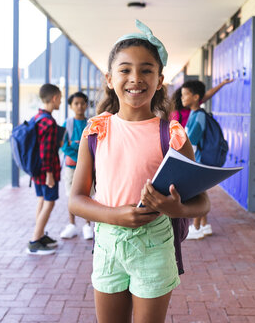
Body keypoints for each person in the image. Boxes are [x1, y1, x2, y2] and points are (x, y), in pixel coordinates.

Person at [68, 20, 210, 323]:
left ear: (160, 79)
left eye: (146, 70)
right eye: (125, 70)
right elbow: (76, 200)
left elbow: (203, 203)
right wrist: (115, 216)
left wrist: (177, 208)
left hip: (155, 246)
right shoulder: (95, 131)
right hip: (107, 244)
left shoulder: (172, 135)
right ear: (109, 78)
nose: (136, 78)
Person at [26, 83, 62, 255]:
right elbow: (46, 150)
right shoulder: (48, 122)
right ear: (54, 98)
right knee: (49, 202)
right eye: (60, 99)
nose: (60, 102)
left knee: (41, 200)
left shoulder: (37, 118)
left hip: (36, 170)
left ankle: (39, 235)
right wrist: (50, 174)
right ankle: (34, 241)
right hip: (47, 171)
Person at [59, 91, 94, 240]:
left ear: (86, 105)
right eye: (76, 104)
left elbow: (93, 144)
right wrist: (80, 157)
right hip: (71, 167)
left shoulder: (91, 123)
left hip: (87, 168)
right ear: (71, 106)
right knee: (71, 195)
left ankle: (87, 225)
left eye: (82, 103)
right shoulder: (67, 124)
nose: (79, 106)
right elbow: (63, 145)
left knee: (87, 196)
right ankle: (71, 225)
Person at [180, 80, 211, 240]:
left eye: (186, 94)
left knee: (199, 193)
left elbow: (192, 141)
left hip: (198, 160)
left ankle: (197, 227)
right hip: (197, 159)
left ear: (196, 97)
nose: (182, 97)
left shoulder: (199, 115)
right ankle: (205, 226)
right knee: (201, 190)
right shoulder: (195, 113)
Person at [169, 77, 234, 127]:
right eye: (182, 95)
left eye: (185, 95)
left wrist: (222, 83)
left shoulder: (194, 108)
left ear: (195, 97)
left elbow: (208, 95)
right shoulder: (177, 114)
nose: (182, 98)